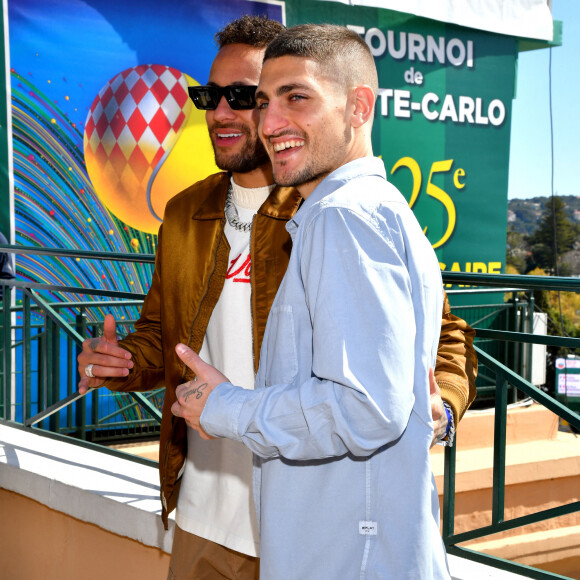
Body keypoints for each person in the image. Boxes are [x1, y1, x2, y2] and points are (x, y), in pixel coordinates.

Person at [77, 15, 476, 580]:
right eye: (211, 95)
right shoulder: (186, 213)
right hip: (204, 513)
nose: (220, 112)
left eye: (244, 96)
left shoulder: (326, 212)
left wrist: (439, 412)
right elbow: (166, 336)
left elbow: (437, 342)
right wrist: (122, 363)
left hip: (311, 525)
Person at [171, 23, 453, 579]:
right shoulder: (370, 207)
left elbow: (366, 408)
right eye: (266, 102)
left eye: (296, 97)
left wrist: (224, 407)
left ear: (358, 107)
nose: (270, 124)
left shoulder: (341, 217)